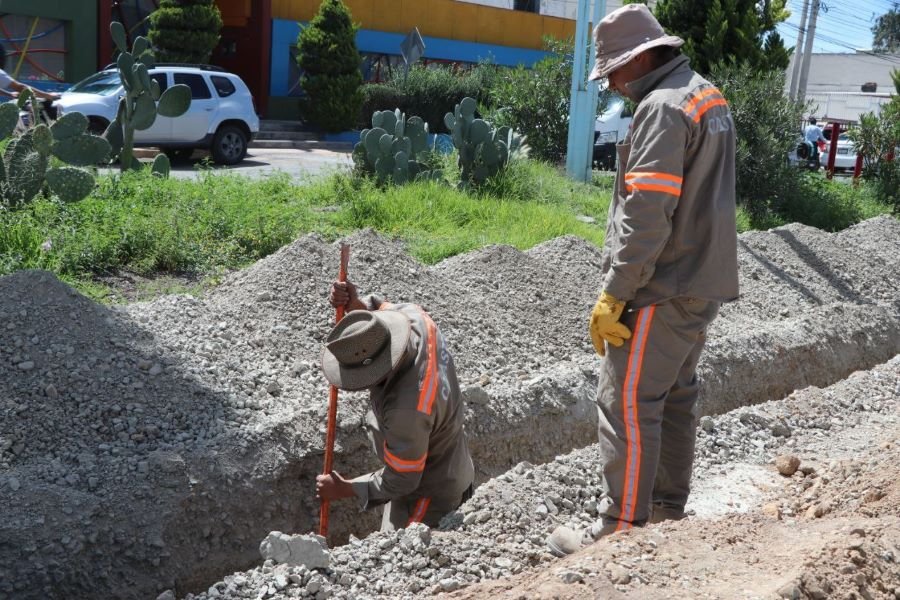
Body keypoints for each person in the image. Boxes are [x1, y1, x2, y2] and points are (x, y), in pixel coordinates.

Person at [547, 4, 739, 556]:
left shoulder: (661, 107)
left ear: (639, 58)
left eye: (611, 70)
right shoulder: (704, 95)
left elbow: (647, 213)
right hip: (702, 278)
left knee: (626, 401)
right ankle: (665, 514)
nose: (610, 83)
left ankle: (621, 530)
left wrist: (616, 291)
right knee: (673, 398)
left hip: (663, 284)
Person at [315, 280, 475, 531]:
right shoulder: (416, 319)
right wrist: (355, 306)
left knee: (400, 550)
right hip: (451, 459)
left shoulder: (407, 409)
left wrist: (345, 488)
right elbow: (380, 312)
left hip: (429, 493)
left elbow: (403, 479)